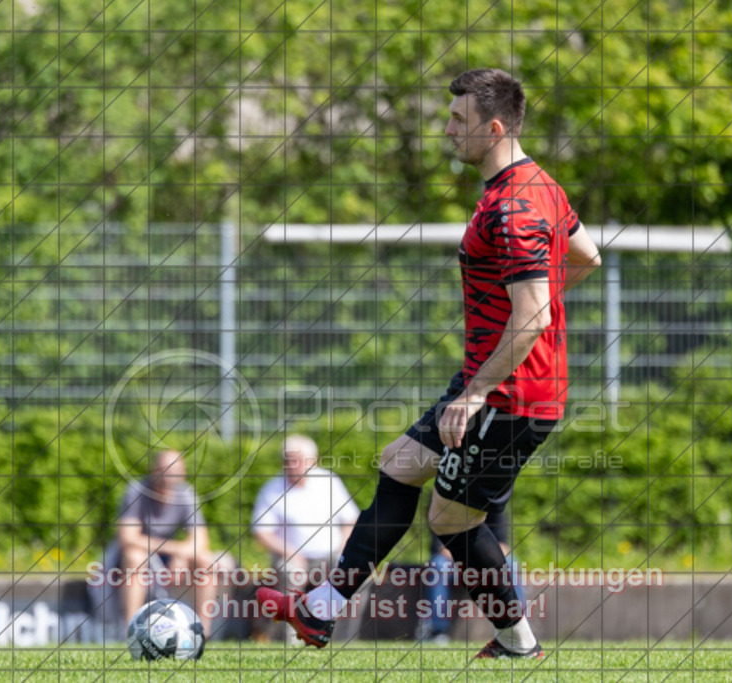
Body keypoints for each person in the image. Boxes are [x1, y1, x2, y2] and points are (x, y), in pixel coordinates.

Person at [258, 67, 602, 659]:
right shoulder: (539, 185)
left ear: (493, 128)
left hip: (507, 396)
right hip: (492, 381)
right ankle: (322, 611)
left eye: (458, 121)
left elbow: (535, 315)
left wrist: (478, 389)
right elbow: (587, 256)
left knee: (452, 521)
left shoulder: (516, 206)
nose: (447, 131)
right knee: (400, 464)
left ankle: (518, 644)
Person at [115, 449, 234, 635]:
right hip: (137, 558)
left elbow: (201, 541)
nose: (169, 475)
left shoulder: (185, 493)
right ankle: (131, 630)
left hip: (167, 558)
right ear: (153, 470)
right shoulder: (137, 491)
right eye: (164, 469)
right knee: (135, 557)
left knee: (205, 560)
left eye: (175, 470)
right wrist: (176, 550)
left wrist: (180, 555)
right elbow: (127, 538)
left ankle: (202, 632)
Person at [252, 435, 359, 590]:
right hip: (291, 558)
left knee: (355, 573)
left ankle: (345, 615)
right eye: (290, 460)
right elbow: (262, 532)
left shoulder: (329, 481)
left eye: (300, 459)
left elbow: (349, 520)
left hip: (331, 555)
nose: (294, 465)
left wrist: (343, 549)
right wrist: (291, 553)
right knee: (291, 574)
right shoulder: (271, 489)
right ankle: (290, 614)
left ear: (313, 460)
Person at [417, 509, 523, 644]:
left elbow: (503, 546)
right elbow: (442, 549)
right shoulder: (442, 501)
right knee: (439, 566)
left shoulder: (491, 502)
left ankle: (518, 627)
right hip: (452, 562)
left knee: (510, 564)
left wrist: (483, 561)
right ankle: (436, 631)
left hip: (484, 562)